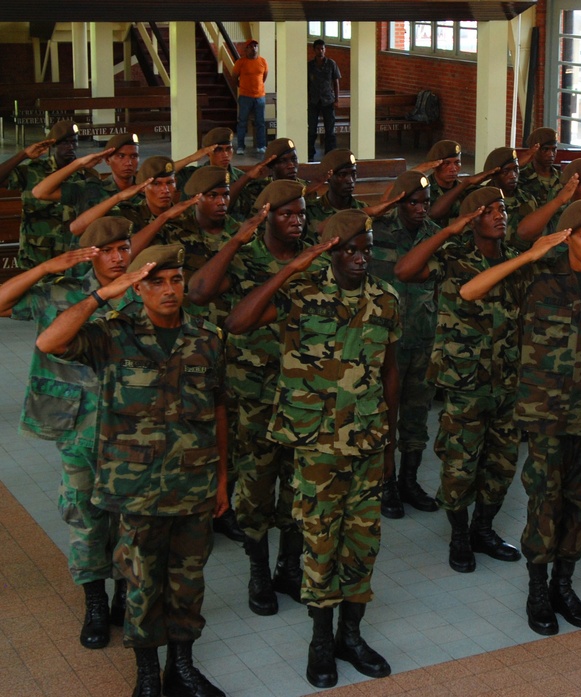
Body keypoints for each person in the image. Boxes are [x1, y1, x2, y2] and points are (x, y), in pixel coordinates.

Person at [36, 243, 228, 697]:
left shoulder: (207, 337)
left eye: (176, 280)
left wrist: (222, 479)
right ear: (137, 287)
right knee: (141, 584)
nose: (168, 290)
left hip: (194, 484)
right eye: (155, 281)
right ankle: (147, 674)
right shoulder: (111, 334)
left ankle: (180, 667)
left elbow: (219, 407)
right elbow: (50, 342)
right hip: (136, 489)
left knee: (188, 582)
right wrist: (105, 294)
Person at [225, 210, 398, 687]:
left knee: (363, 545)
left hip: (367, 441)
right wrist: (291, 270)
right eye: (349, 250)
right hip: (317, 446)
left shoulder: (385, 299)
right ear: (328, 250)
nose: (360, 259)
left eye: (365, 250)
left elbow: (390, 374)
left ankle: (351, 635)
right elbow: (237, 323)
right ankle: (320, 641)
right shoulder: (300, 294)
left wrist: (390, 445)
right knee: (320, 545)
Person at [461, 200, 581, 637]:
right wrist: (530, 254)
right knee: (545, 502)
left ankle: (563, 586)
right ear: (567, 238)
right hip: (546, 414)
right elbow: (469, 292)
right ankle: (537, 589)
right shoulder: (536, 278)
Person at [0, 218, 136, 650]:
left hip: (135, 428)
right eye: (108, 250)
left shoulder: (143, 287)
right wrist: (42, 269)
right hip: (79, 428)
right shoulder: (59, 291)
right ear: (90, 254)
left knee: (130, 518)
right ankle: (95, 601)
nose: (118, 257)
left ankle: (123, 600)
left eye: (124, 248)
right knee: (84, 516)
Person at [188, 180, 310, 616]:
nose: (297, 220)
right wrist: (237, 239)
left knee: (298, 486)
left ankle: (289, 568)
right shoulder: (241, 258)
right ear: (265, 217)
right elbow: (199, 293)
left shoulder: (313, 256)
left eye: (301, 213)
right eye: (287, 214)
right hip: (252, 393)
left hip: (304, 392)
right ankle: (259, 572)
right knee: (256, 487)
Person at [395, 187, 521, 573]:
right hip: (464, 382)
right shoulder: (453, 259)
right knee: (460, 464)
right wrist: (449, 231)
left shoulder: (516, 261)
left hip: (507, 381)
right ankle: (460, 535)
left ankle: (485, 528)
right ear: (472, 219)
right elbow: (405, 270)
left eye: (503, 209)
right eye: (490, 211)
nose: (500, 216)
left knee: (500, 464)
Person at [370, 170, 442, 517]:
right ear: (399, 201)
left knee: (416, 415)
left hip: (422, 339)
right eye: (412, 202)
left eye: (425, 202)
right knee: (386, 415)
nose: (420, 208)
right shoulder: (378, 232)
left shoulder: (435, 236)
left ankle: (409, 480)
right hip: (385, 345)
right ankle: (386, 483)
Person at [0, 119, 97, 270]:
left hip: (73, 257)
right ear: (53, 145)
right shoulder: (33, 171)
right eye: (64, 143)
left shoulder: (86, 175)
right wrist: (23, 155)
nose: (70, 147)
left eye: (73, 142)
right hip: (36, 255)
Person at [32, 132, 142, 217]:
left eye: (134, 156)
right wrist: (78, 164)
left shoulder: (147, 191)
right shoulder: (90, 189)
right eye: (121, 156)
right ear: (108, 160)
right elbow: (40, 192)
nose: (128, 163)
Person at [174, 126, 245, 196]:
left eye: (228, 149)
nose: (225, 154)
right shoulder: (193, 174)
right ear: (208, 152)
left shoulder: (241, 177)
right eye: (219, 150)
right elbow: (166, 171)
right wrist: (191, 158)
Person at [307, 39, 341, 160]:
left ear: (325, 50)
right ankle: (310, 154)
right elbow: (306, 83)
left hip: (328, 100)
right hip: (314, 101)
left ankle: (330, 154)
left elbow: (336, 81)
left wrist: (337, 99)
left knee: (330, 130)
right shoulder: (310, 65)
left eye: (322, 49)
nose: (320, 51)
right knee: (312, 129)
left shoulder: (331, 64)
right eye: (318, 49)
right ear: (314, 50)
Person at [234, 39, 269, 155]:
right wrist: (241, 86)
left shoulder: (263, 61)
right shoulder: (241, 62)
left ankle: (261, 145)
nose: (254, 48)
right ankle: (240, 146)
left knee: (260, 122)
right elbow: (235, 77)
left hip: (259, 97)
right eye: (251, 46)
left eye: (255, 46)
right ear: (246, 49)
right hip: (245, 97)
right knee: (242, 122)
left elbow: (264, 77)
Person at [519, 127, 561, 204]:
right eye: (545, 149)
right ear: (534, 150)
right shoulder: (521, 176)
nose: (551, 154)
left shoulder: (562, 177)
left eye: (554, 149)